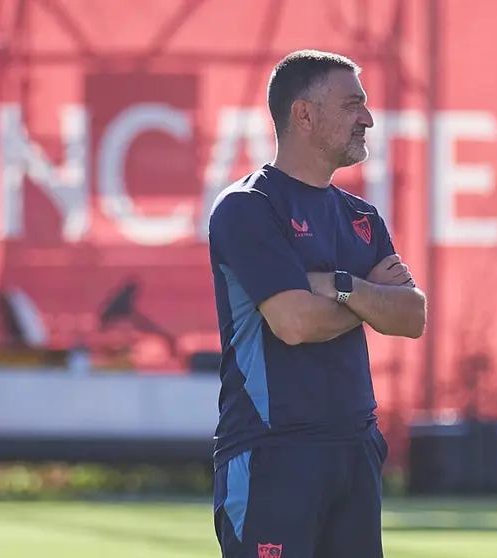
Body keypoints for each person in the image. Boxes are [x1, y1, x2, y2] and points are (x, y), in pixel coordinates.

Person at [206, 50, 426, 558]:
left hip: (356, 450)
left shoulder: (362, 215)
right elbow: (294, 322)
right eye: (353, 105)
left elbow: (412, 316)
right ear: (304, 114)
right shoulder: (247, 207)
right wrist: (373, 298)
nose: (367, 118)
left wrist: (342, 284)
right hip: (273, 453)